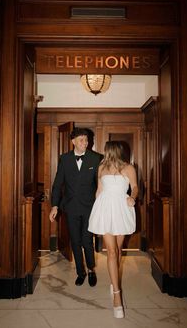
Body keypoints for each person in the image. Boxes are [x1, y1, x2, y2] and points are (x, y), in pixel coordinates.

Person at [88, 141, 138, 318]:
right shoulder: (102, 168)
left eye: (107, 150)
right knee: (110, 251)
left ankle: (113, 280)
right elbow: (99, 190)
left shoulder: (129, 168)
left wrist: (132, 197)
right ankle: (117, 295)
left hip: (121, 209)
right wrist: (95, 211)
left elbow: (135, 188)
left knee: (117, 251)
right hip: (105, 208)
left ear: (112, 151)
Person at [49, 127, 102, 287]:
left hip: (89, 207)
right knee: (75, 241)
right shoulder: (64, 159)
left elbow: (102, 183)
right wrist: (54, 206)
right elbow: (58, 184)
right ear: (73, 142)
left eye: (86, 140)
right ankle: (81, 272)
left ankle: (91, 269)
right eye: (81, 140)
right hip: (70, 207)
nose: (85, 143)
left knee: (87, 241)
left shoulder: (96, 158)